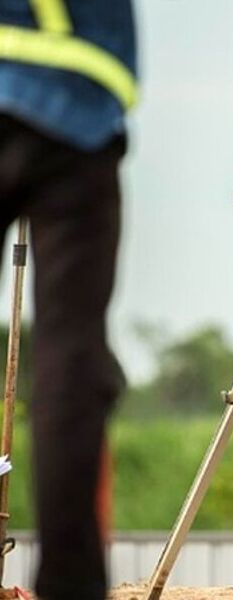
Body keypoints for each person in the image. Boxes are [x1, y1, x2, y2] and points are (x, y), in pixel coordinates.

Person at [0, 1, 137, 599]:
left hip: (77, 96)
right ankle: (72, 585)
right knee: (70, 358)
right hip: (79, 98)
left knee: (68, 362)